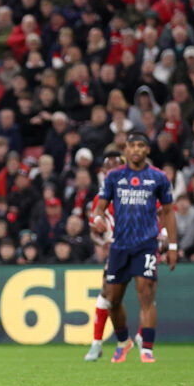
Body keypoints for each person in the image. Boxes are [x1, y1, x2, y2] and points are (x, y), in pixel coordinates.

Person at [90, 132, 177, 364]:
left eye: (141, 145)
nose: (136, 149)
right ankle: (124, 341)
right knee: (112, 299)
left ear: (147, 150)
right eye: (132, 145)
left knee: (146, 294)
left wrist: (173, 246)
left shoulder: (158, 177)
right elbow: (100, 207)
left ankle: (147, 349)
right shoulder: (113, 177)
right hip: (120, 246)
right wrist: (98, 218)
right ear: (126, 150)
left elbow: (168, 211)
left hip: (146, 244)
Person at [84, 145, 123, 361]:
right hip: (117, 251)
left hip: (140, 248)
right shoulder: (101, 198)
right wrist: (102, 240)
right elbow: (94, 232)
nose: (110, 172)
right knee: (108, 296)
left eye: (115, 167)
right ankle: (97, 343)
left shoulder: (139, 189)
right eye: (107, 168)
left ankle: (143, 341)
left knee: (146, 293)